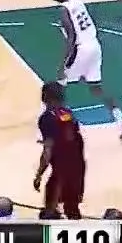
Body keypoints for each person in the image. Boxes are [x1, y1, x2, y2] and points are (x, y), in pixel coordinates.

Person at [50, 0, 122, 141]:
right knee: (97, 89)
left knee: (58, 86)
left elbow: (72, 37)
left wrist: (64, 62)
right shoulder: (78, 2)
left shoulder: (64, 10)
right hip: (94, 46)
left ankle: (52, 129)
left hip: (81, 49)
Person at [34, 81, 88, 220]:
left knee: (50, 210)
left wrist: (39, 174)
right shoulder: (68, 113)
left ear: (45, 97)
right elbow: (70, 135)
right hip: (78, 167)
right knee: (72, 208)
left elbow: (48, 150)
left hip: (61, 170)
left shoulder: (46, 119)